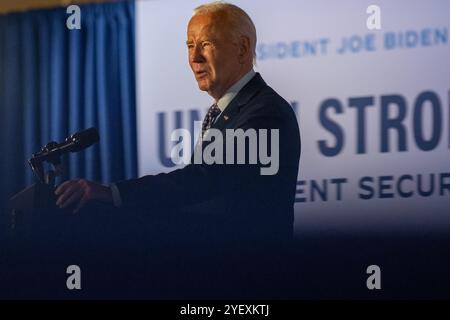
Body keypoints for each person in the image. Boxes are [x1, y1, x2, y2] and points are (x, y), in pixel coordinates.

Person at [55, 1, 300, 253]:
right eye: (190, 46)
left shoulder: (265, 112)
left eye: (206, 44)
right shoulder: (225, 112)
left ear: (242, 48)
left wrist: (114, 194)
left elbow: (204, 181)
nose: (194, 57)